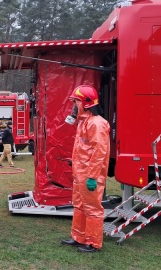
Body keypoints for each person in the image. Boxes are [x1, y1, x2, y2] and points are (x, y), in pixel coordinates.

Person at [60, 85, 110, 252]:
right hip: (80, 173)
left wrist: (92, 176)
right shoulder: (84, 122)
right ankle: (79, 237)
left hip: (89, 175)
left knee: (92, 209)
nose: (73, 105)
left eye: (76, 102)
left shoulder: (96, 124)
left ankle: (93, 242)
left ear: (85, 103)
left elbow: (100, 151)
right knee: (79, 206)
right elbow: (83, 149)